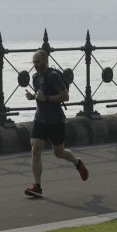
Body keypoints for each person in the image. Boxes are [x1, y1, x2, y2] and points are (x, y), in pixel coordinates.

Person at [24, 49, 88, 197]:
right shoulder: (35, 78)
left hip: (56, 121)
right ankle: (37, 186)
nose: (35, 65)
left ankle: (77, 163)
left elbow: (65, 97)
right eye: (33, 62)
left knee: (58, 153)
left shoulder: (53, 76)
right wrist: (32, 96)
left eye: (38, 62)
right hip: (40, 119)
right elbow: (40, 96)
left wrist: (46, 98)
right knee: (35, 149)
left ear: (46, 61)